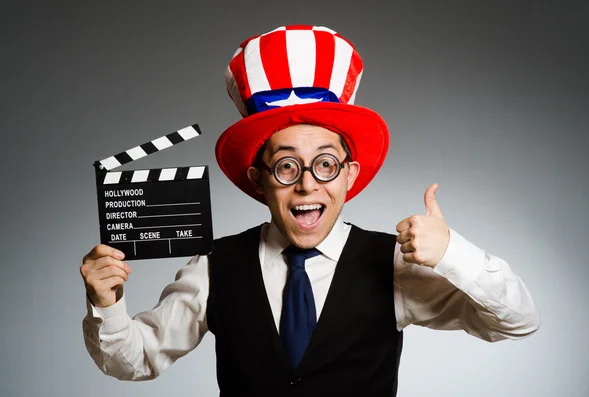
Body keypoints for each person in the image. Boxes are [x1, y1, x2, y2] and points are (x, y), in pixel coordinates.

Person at [81, 25, 540, 396]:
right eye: (285, 166)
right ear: (259, 180)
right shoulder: (212, 269)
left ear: (349, 175)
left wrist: (451, 253)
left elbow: (519, 321)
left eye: (325, 164)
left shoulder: (395, 266)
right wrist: (107, 304)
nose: (306, 183)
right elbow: (136, 360)